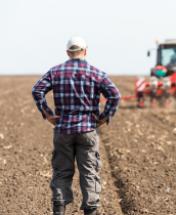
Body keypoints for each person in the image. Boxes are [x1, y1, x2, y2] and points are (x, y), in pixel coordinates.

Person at [32, 36, 121, 215]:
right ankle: (91, 210)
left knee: (62, 171)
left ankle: (59, 209)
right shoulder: (96, 73)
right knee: (89, 171)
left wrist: (48, 113)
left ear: (68, 53)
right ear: (85, 51)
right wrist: (104, 117)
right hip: (87, 129)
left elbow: (37, 90)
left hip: (63, 130)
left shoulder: (55, 72)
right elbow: (115, 95)